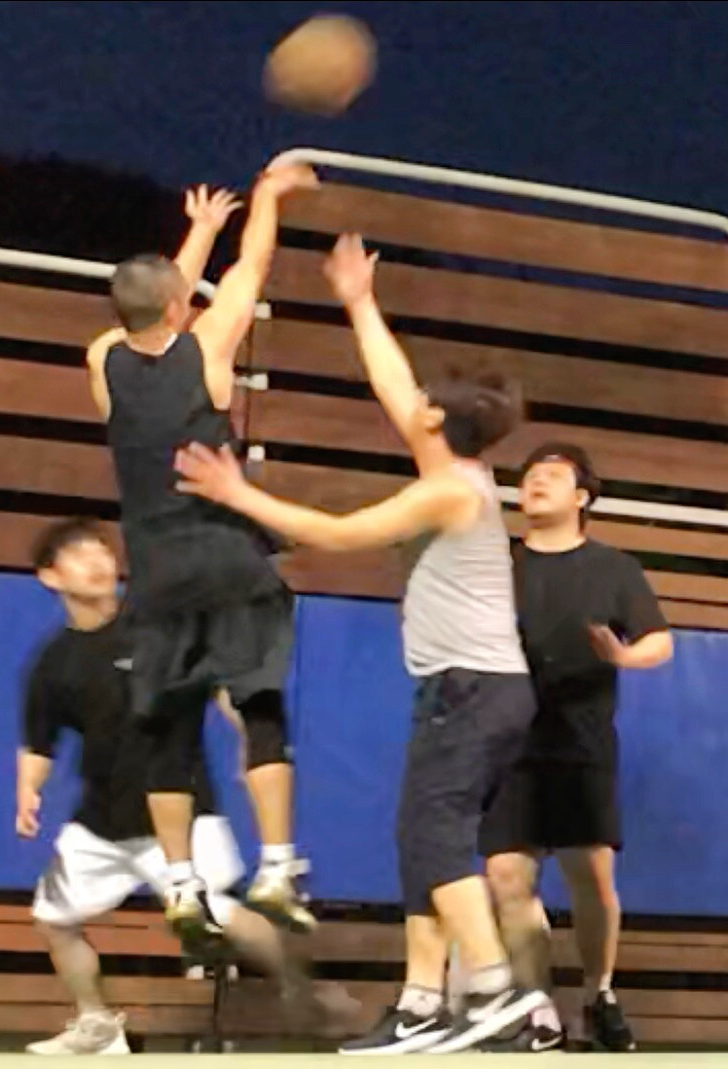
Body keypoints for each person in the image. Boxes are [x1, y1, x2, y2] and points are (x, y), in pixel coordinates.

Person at [175, 234, 549, 1054]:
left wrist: (237, 492)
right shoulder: (451, 464)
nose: (409, 400)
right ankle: (420, 1000)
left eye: (423, 401)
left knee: (435, 835)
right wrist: (358, 301)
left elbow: (338, 534)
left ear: (436, 420)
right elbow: (393, 385)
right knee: (421, 838)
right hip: (470, 686)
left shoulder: (448, 490)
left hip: (473, 686)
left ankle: (492, 988)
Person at [84, 167, 320, 944]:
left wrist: (199, 232)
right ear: (181, 306)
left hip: (156, 573)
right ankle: (277, 866)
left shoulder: (102, 359)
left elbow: (160, 301)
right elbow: (251, 269)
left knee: (167, 729)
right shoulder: (208, 350)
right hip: (227, 560)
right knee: (259, 707)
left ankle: (181, 886)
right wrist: (266, 199)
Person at [17, 518, 349, 1055]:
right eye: (78, 555)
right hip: (101, 821)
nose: (97, 562)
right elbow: (38, 740)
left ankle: (302, 990)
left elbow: (223, 693)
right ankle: (97, 1023)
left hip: (180, 814)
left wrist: (251, 741)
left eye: (101, 551)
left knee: (218, 909)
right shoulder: (53, 662)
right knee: (53, 921)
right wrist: (28, 791)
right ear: (50, 578)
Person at [477, 442, 674, 1052]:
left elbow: (659, 641)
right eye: (530, 475)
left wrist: (624, 656)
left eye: (553, 476)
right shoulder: (497, 563)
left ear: (582, 497)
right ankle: (537, 1008)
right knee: (507, 874)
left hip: (581, 739)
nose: (536, 482)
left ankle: (599, 994)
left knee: (590, 873)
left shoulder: (613, 567)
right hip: (506, 739)